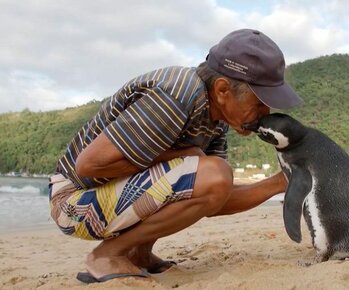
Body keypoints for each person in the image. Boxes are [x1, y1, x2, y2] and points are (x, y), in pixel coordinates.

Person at [48, 28, 303, 283]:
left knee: (213, 174)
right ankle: (107, 255)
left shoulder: (215, 121)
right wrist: (183, 154)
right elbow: (88, 165)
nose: (265, 111)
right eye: (259, 101)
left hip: (104, 199)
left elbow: (214, 197)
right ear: (223, 90)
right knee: (213, 171)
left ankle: (139, 252)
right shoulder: (177, 92)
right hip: (72, 202)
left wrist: (279, 182)